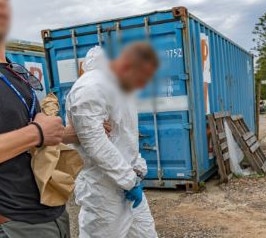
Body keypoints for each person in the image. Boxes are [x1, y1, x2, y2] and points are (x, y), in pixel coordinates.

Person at [0, 0, 77, 237]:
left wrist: (72, 134)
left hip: (51, 213)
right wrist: (37, 132)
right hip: (15, 223)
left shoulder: (14, 72)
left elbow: (21, 135)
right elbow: (33, 133)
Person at [66, 43, 159, 238]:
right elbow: (94, 142)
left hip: (126, 182)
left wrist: (136, 169)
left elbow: (126, 135)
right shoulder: (89, 87)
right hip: (102, 191)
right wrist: (128, 180)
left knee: (145, 233)